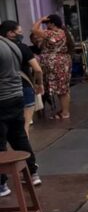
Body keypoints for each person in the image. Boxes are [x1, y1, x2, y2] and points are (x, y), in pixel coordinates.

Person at [0, 30, 42, 194]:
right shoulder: (12, 45)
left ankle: (2, 183)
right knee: (19, 137)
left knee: (1, 141)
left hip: (2, 98)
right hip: (16, 95)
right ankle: (32, 172)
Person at [0, 21, 44, 136]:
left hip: (4, 92)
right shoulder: (23, 48)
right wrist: (39, 84)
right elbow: (38, 69)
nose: (21, 34)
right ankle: (25, 152)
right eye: (19, 32)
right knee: (24, 126)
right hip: (24, 87)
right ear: (10, 33)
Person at [31, 13, 72, 119]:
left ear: (52, 24)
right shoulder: (63, 32)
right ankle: (64, 110)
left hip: (56, 64)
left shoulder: (51, 33)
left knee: (62, 90)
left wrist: (40, 20)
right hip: (62, 63)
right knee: (62, 88)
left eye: (47, 23)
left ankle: (65, 112)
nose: (46, 25)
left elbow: (34, 30)